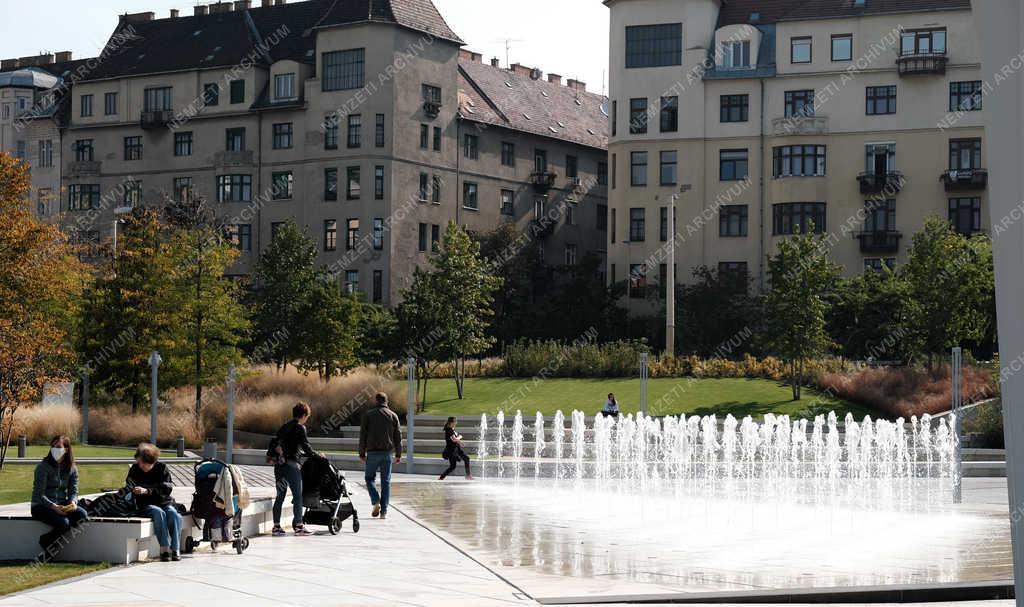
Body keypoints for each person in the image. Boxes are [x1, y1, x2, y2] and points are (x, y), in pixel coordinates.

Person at [31, 435, 88, 558]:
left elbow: (74, 490)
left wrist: (73, 502)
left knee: (82, 515)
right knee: (64, 523)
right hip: (40, 506)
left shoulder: (72, 468)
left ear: (66, 449)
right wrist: (53, 506)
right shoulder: (42, 467)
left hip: (62, 504)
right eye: (52, 446)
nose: (54, 449)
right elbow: (39, 494)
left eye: (58, 447)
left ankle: (48, 542)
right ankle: (48, 546)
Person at [127, 443, 183, 562]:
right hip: (145, 504)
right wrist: (134, 490)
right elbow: (129, 486)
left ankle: (175, 548)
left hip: (164, 502)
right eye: (138, 462)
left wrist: (147, 490)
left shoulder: (162, 468)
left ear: (151, 461)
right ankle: (164, 548)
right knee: (158, 513)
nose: (140, 465)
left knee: (173, 514)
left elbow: (166, 489)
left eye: (142, 462)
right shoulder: (135, 469)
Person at [271, 402, 317, 537]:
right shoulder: (300, 428)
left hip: (279, 466)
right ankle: (299, 526)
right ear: (303, 415)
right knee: (298, 496)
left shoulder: (284, 427)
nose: (306, 419)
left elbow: (283, 446)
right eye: (307, 416)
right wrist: (317, 455)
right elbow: (306, 446)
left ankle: (276, 527)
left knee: (280, 496)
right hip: (291, 466)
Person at [359, 393, 402, 520]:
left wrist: (362, 453)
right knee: (386, 482)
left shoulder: (368, 415)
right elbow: (398, 437)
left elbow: (363, 436)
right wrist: (399, 454)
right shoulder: (393, 416)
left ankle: (375, 499)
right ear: (386, 401)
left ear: (376, 401)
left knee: (369, 478)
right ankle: (383, 512)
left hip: (372, 453)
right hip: (387, 454)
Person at [439, 417, 472, 481]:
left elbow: (455, 439)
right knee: (453, 466)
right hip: (452, 451)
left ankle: (468, 475)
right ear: (452, 423)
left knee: (466, 458)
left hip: (457, 449)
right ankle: (441, 477)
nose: (456, 423)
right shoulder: (449, 430)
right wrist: (460, 437)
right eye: (455, 422)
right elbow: (454, 439)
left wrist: (460, 442)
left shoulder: (452, 430)